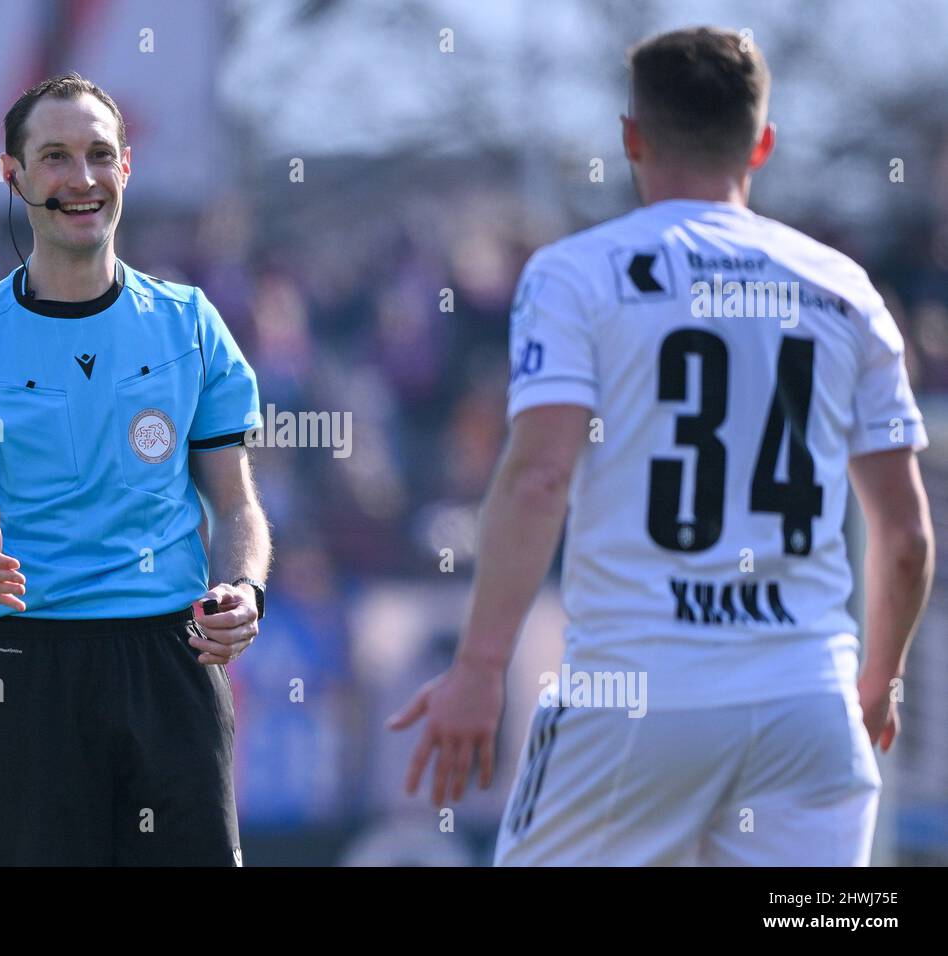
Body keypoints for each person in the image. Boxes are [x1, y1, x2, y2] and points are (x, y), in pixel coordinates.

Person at [389, 26, 934, 866]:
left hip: (634, 697)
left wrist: (480, 666)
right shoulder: (845, 289)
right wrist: (878, 680)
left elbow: (538, 478)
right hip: (807, 701)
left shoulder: (578, 273)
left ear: (632, 137)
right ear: (764, 143)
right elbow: (905, 539)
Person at [0, 74, 271, 866]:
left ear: (127, 167)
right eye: (55, 157)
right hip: (28, 671)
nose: (81, 178)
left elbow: (234, 506)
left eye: (99, 154)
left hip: (174, 659)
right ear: (14, 175)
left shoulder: (191, 324)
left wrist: (244, 587)